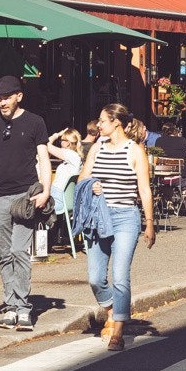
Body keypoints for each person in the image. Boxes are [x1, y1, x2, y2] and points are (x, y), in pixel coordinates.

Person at [0, 75, 51, 331]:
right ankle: (10, 306)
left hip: (25, 197)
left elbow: (44, 159)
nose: (2, 102)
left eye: (7, 96)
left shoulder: (35, 122)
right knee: (4, 254)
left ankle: (23, 307)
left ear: (19, 96)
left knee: (20, 251)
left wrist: (45, 191)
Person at [78, 103, 156, 351]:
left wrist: (150, 223)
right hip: (98, 217)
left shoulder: (135, 151)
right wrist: (91, 185)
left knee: (120, 276)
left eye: (102, 121)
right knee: (95, 278)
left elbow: (144, 189)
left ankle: (118, 330)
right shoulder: (96, 149)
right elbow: (82, 178)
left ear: (116, 123)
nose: (98, 125)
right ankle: (112, 310)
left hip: (125, 217)